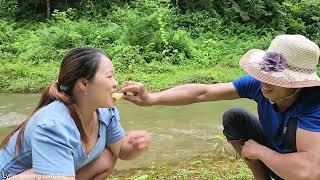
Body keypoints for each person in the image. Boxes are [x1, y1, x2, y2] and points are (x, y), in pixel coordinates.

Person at [120, 34, 320, 180]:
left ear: (298, 83)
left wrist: (260, 151)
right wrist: (152, 98)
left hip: (303, 170)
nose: (266, 82)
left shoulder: (314, 104)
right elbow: (203, 92)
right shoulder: (262, 84)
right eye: (265, 75)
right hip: (283, 160)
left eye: (277, 79)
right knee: (234, 117)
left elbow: (308, 171)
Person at [0, 47, 150, 180]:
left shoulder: (106, 113)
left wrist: (131, 146)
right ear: (84, 84)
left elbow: (120, 151)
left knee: (106, 157)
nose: (115, 83)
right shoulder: (53, 125)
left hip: (56, 173)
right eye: (109, 76)